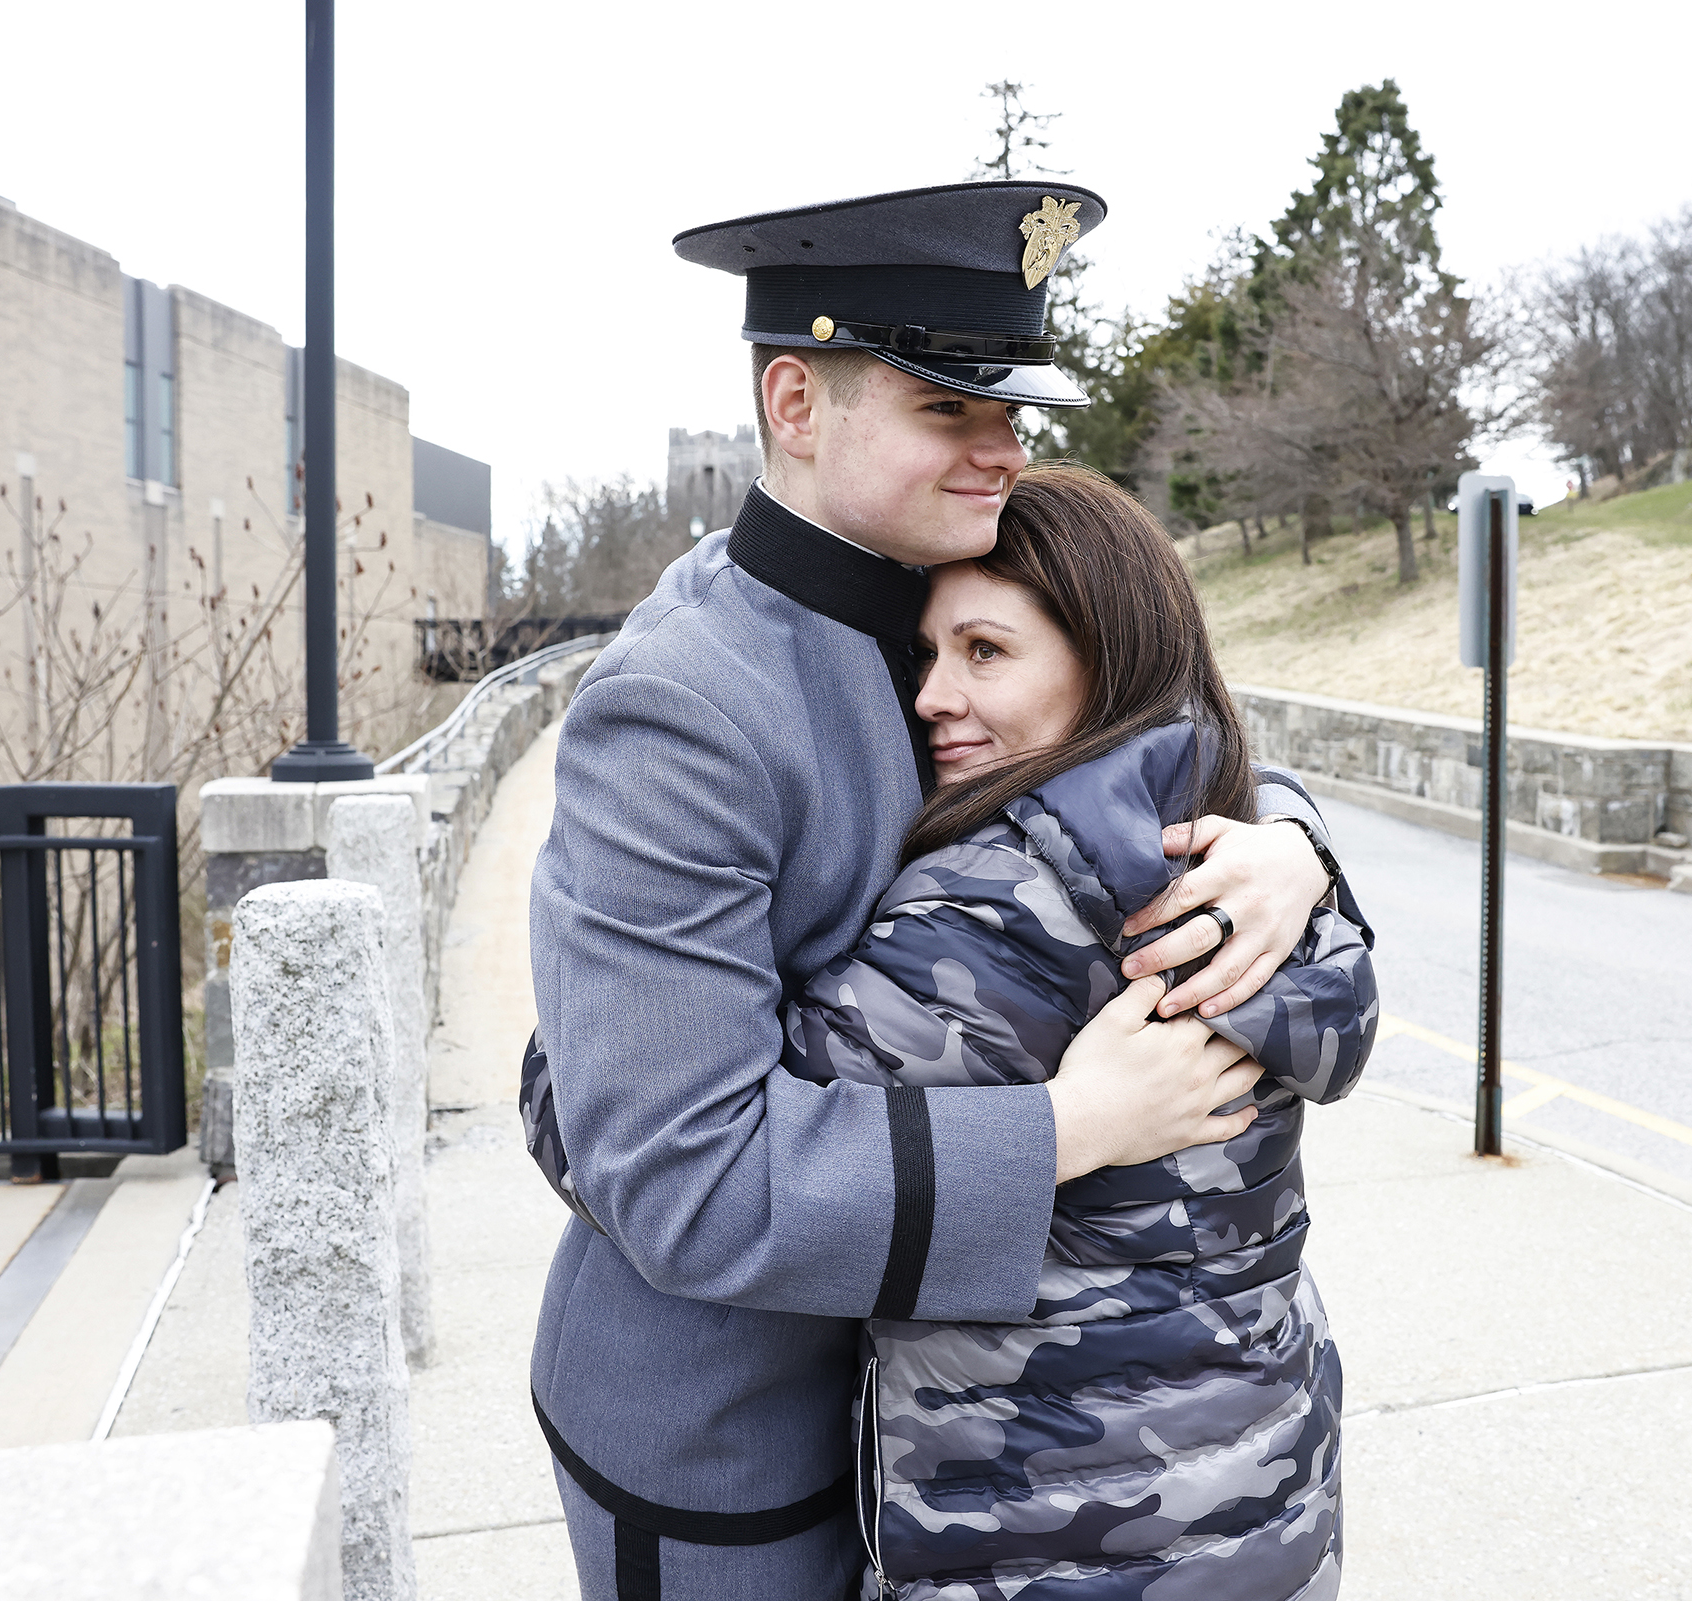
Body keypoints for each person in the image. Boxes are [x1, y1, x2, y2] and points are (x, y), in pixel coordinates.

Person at [527, 181, 1360, 1601]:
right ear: (797, 401)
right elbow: (678, 1175)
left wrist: (1287, 841)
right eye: (948, 410)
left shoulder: (941, 599)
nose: (1006, 451)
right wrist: (1064, 1127)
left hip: (961, 1446)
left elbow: (1133, 729)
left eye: (1011, 411)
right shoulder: (681, 706)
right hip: (747, 1431)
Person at [783, 463, 1374, 1601]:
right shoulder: (1248, 852)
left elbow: (668, 1141)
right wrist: (1306, 836)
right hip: (1265, 1509)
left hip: (1048, 1545)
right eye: (926, 654)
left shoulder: (1000, 916)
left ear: (1103, 661)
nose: (931, 696)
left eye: (985, 651)